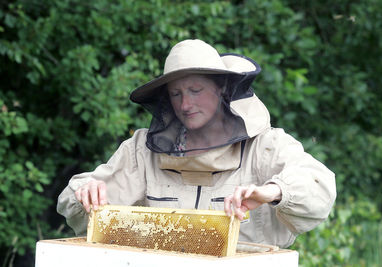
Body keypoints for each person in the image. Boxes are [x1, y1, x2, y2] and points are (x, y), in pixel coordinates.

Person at [57, 39, 336, 248]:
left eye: (195, 90)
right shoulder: (143, 150)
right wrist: (87, 193)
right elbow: (73, 207)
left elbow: (319, 189)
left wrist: (273, 191)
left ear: (221, 89)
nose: (185, 104)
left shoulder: (264, 146)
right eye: (176, 94)